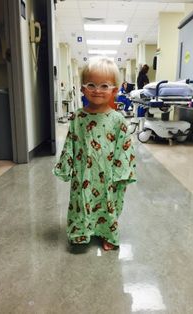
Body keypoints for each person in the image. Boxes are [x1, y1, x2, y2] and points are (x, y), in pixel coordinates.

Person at [53, 56, 136, 251]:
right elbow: (70, 143)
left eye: (104, 86)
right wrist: (66, 166)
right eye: (92, 84)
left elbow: (125, 148)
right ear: (83, 89)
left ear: (114, 90)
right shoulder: (78, 118)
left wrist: (122, 174)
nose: (97, 90)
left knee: (108, 203)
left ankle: (108, 233)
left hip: (109, 175)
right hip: (83, 174)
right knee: (81, 201)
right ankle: (80, 232)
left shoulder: (118, 120)